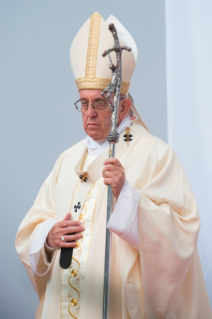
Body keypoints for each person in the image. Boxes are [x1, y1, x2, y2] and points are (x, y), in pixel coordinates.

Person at [15, 12, 211, 319]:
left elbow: (181, 235)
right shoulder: (67, 161)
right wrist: (48, 238)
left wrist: (128, 195)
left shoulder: (155, 156)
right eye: (84, 103)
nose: (90, 113)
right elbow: (32, 227)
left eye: (101, 103)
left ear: (125, 105)